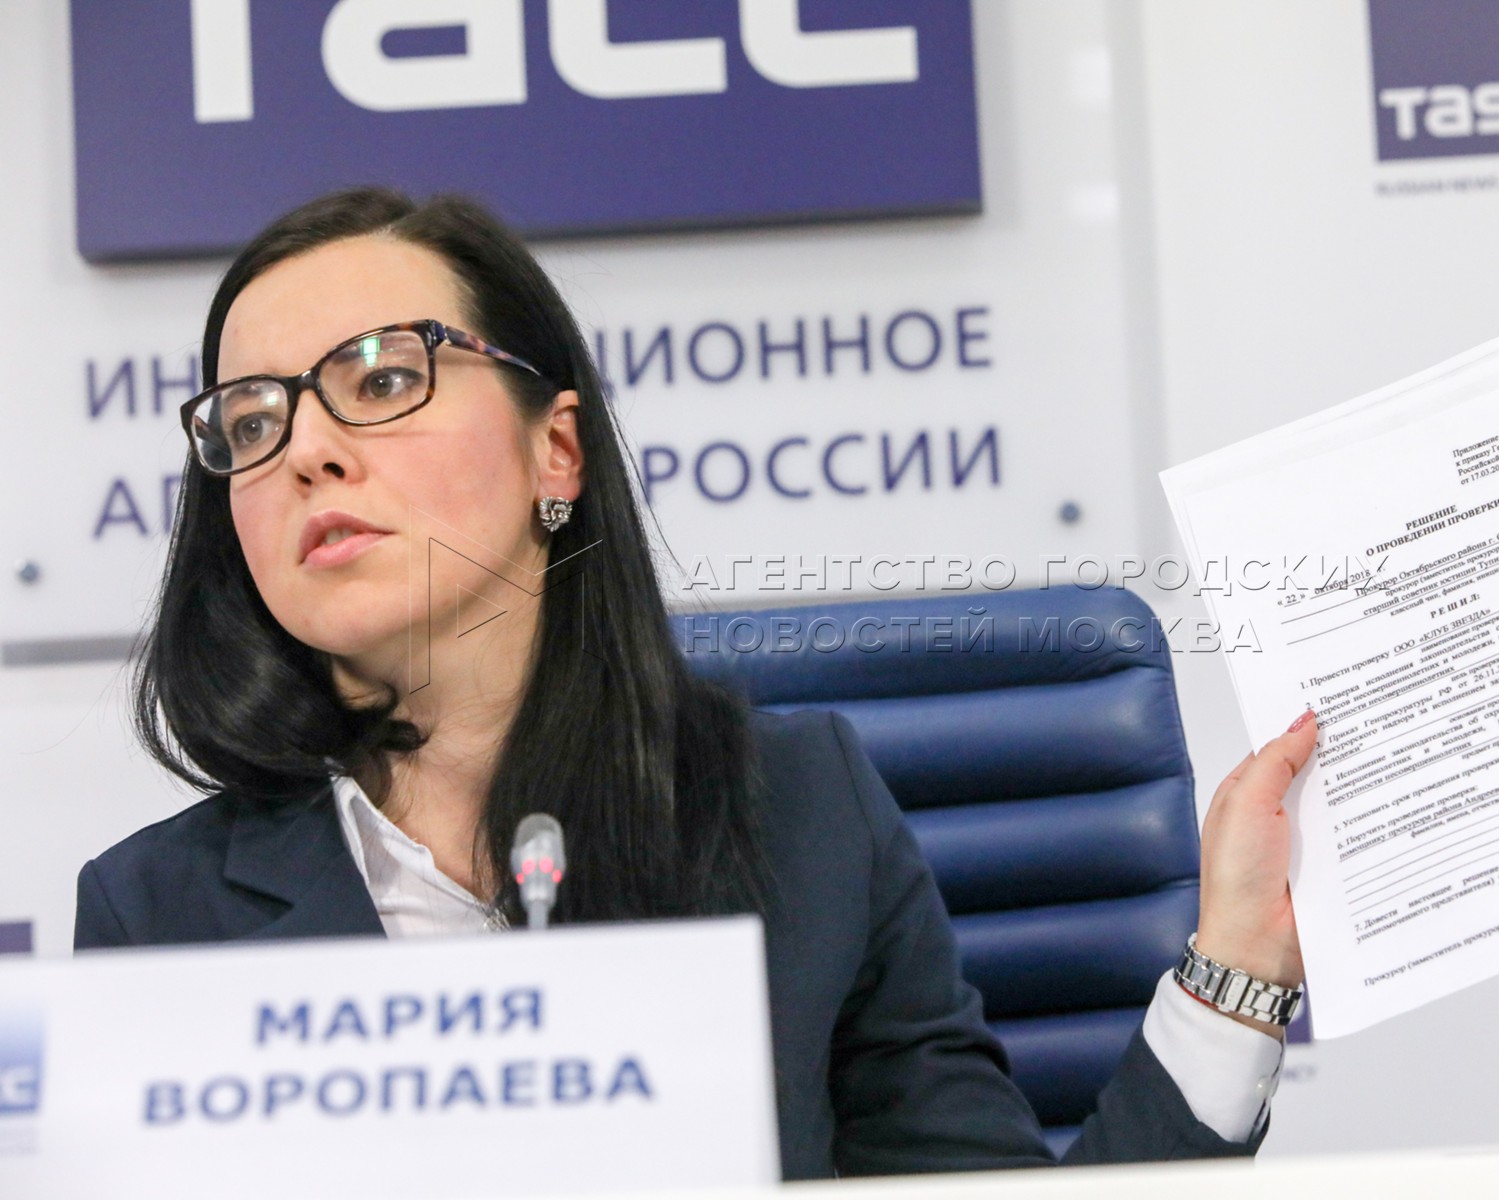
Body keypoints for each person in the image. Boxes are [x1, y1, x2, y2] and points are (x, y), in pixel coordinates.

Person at [74, 188, 1320, 1178]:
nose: (306, 451)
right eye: (252, 423)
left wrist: (1236, 975)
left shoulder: (804, 815)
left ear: (555, 451)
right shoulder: (156, 917)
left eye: (384, 378)